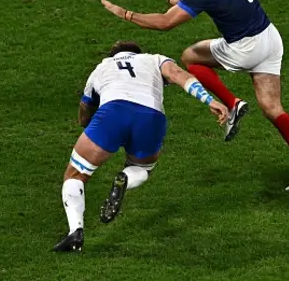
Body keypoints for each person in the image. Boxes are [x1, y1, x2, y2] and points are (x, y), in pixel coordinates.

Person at [99, 0, 289, 191]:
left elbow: (165, 23)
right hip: (270, 38)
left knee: (190, 56)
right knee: (271, 107)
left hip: (244, 48)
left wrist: (126, 14)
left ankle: (232, 104)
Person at [53, 41, 228, 252]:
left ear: (113, 55)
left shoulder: (101, 67)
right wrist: (209, 100)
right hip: (151, 116)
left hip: (113, 112)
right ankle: (125, 180)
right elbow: (176, 74)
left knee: (76, 174)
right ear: (138, 53)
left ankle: (75, 233)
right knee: (142, 168)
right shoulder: (153, 59)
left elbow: (84, 111)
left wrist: (91, 125)